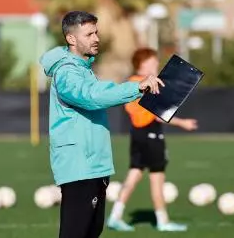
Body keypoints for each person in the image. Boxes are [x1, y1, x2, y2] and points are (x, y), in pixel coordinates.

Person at [39, 12, 164, 238]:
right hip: (79, 167)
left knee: (91, 232)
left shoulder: (84, 69)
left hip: (94, 165)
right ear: (71, 39)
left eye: (96, 32)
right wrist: (135, 88)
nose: (96, 38)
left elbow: (99, 92)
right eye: (89, 34)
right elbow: (91, 95)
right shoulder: (67, 71)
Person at [107, 48, 198, 232]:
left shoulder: (131, 84)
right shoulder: (143, 84)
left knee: (133, 175)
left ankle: (115, 216)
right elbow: (156, 113)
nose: (156, 64)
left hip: (137, 134)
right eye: (152, 62)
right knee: (157, 176)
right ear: (141, 65)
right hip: (150, 134)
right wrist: (182, 123)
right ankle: (163, 221)